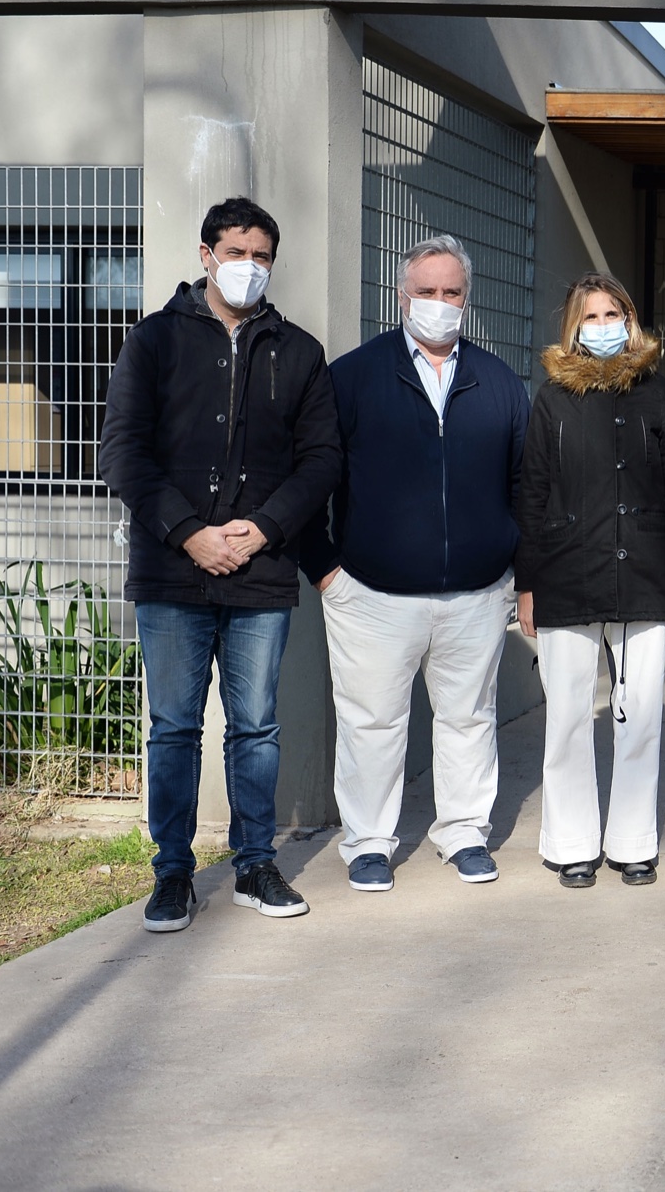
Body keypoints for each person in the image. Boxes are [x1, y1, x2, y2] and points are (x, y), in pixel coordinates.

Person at [99, 196, 340, 933]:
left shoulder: (298, 352)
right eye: (235, 251)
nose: (249, 266)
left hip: (260, 572)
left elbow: (322, 458)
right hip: (173, 572)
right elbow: (122, 452)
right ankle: (172, 874)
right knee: (173, 726)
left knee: (256, 727)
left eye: (261, 255)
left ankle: (255, 864)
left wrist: (264, 529)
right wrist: (187, 532)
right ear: (206, 254)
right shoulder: (154, 341)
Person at [298, 235, 528, 893]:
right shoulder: (352, 377)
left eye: (451, 292)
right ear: (402, 297)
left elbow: (526, 488)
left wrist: (519, 572)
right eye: (425, 292)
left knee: (469, 717)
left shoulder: (500, 383)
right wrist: (326, 570)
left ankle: (464, 832)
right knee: (372, 720)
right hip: (370, 592)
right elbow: (311, 476)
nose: (438, 303)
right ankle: (368, 842)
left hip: (477, 593)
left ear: (467, 299)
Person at [515, 273, 665, 888]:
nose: (602, 326)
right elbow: (532, 491)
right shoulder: (552, 399)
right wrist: (527, 583)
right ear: (573, 328)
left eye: (611, 313)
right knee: (567, 715)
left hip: (647, 572)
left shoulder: (662, 395)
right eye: (589, 317)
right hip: (566, 572)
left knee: (639, 715)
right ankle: (570, 845)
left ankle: (632, 842)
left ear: (631, 318)